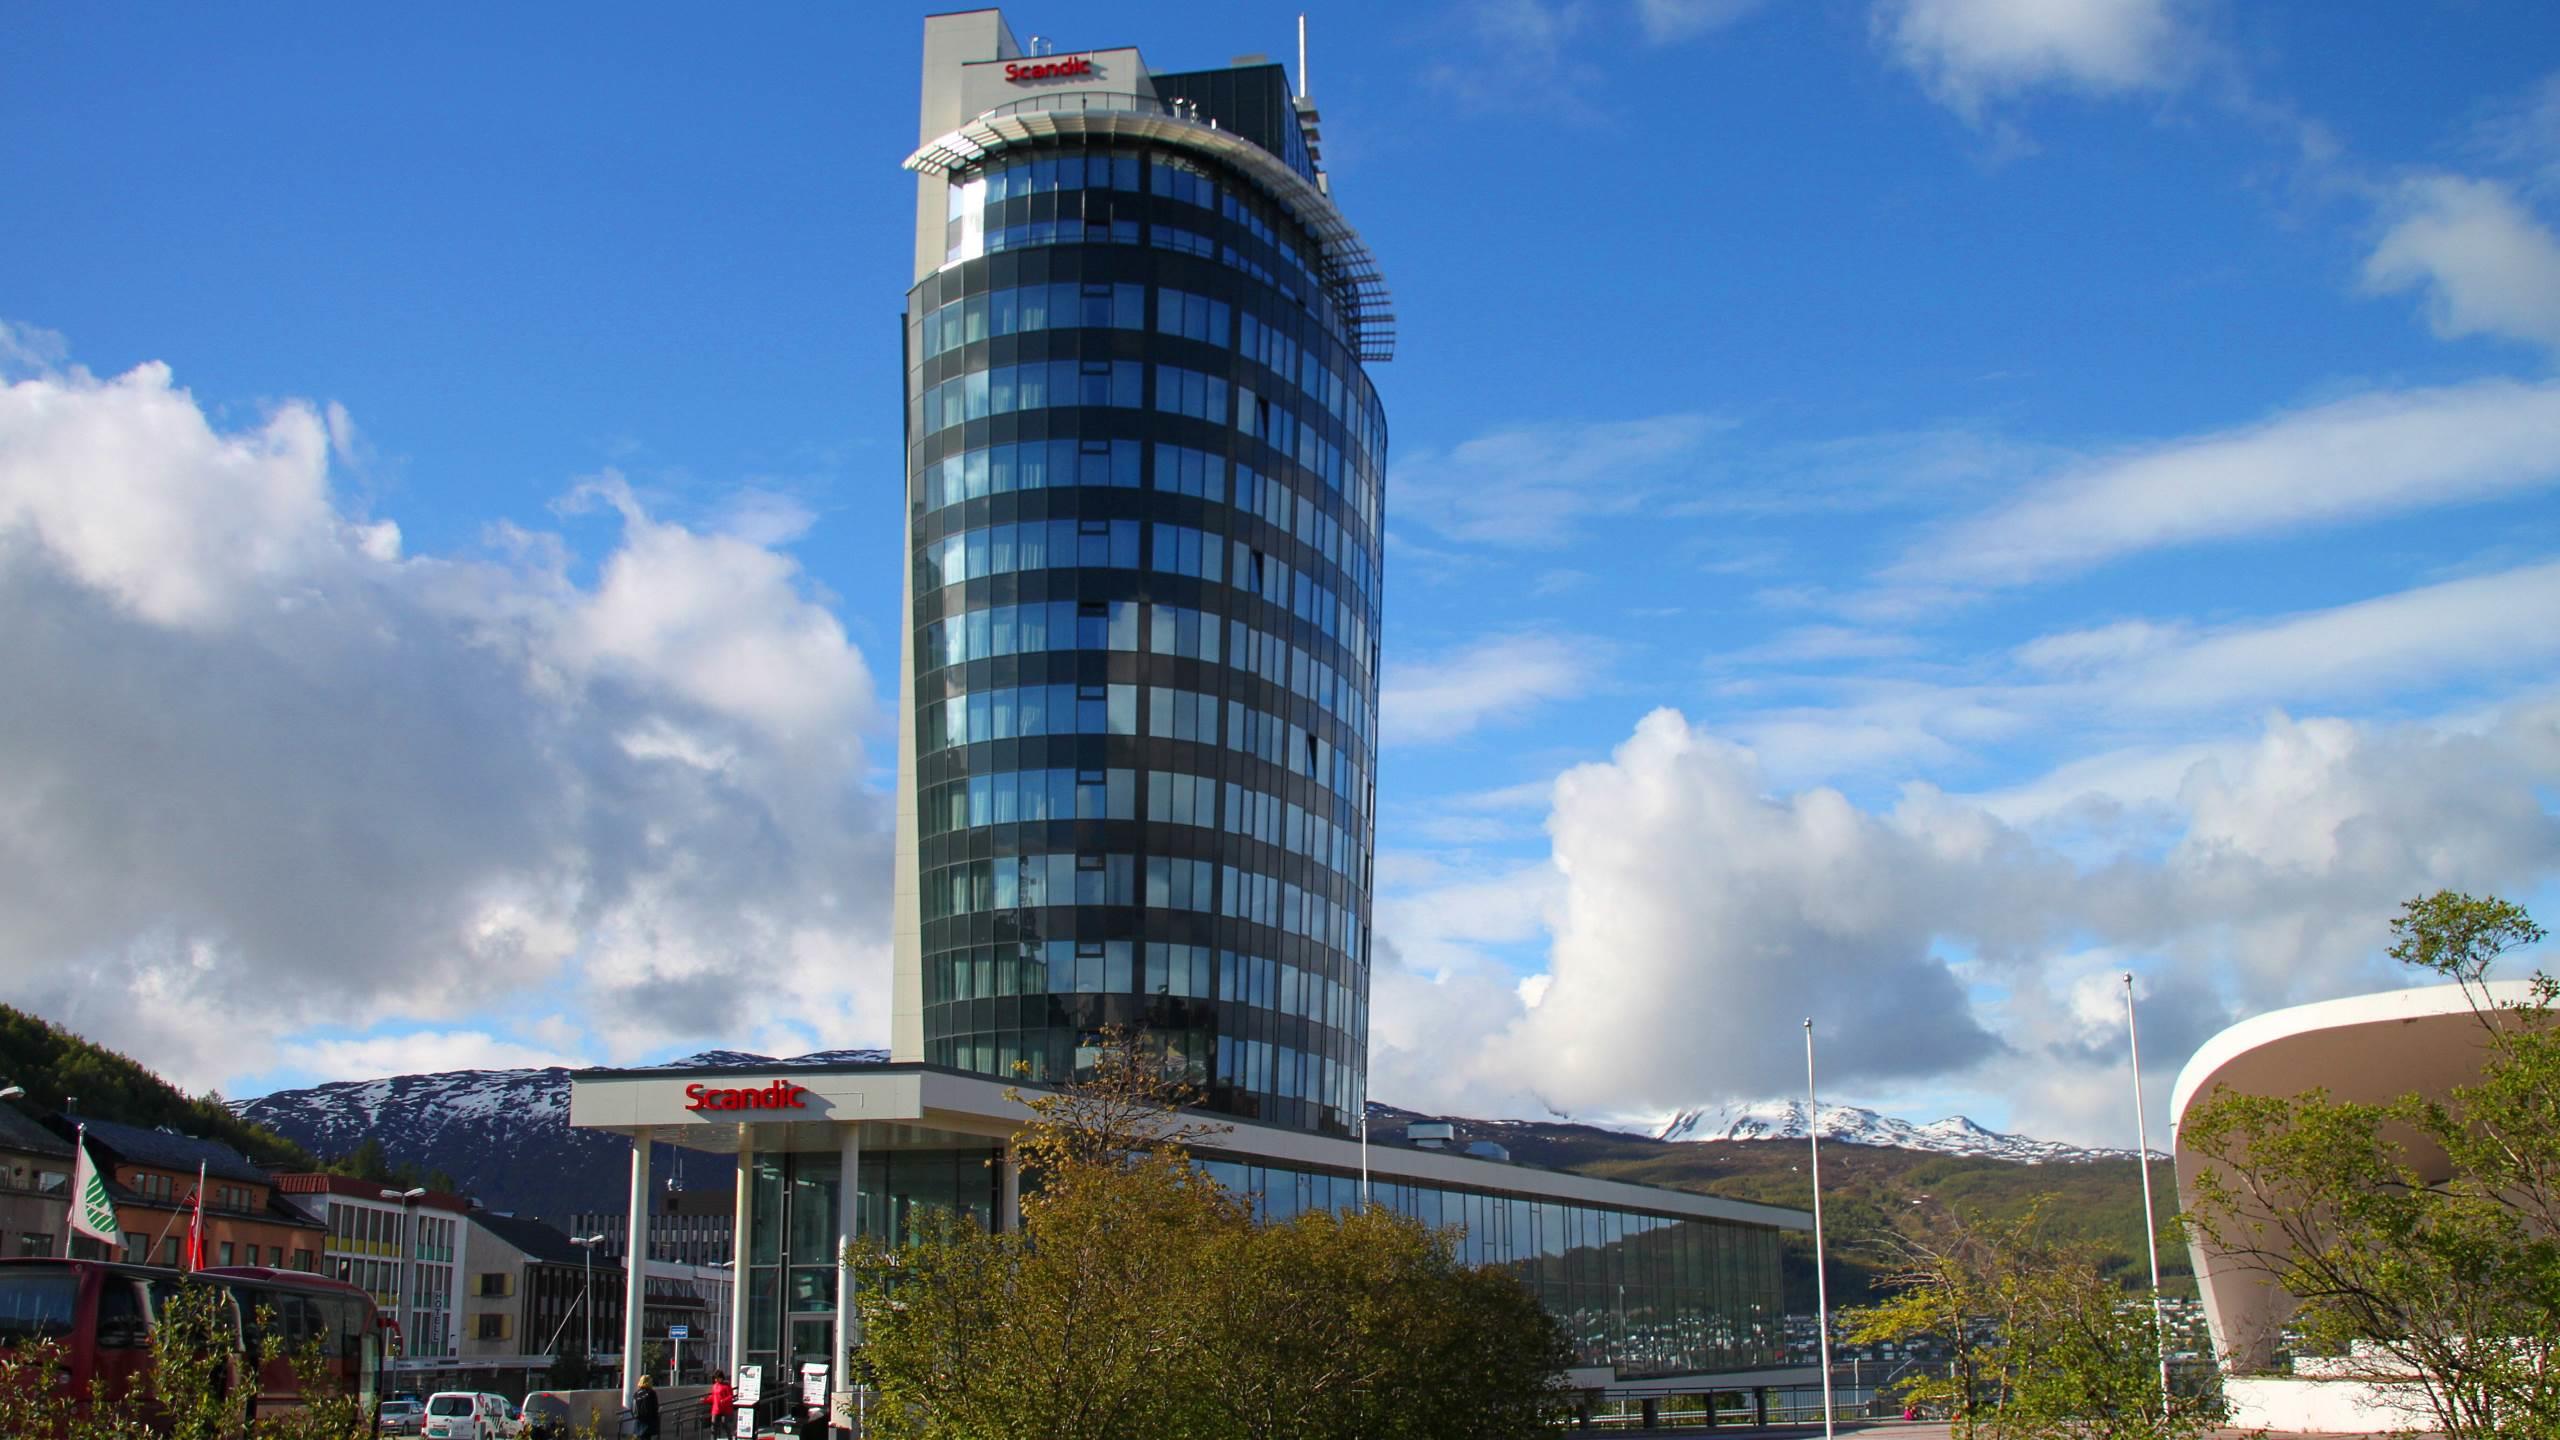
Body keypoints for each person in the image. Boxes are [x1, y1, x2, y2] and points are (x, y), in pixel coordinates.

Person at [632, 1374, 660, 1438]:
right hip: (648, 1423)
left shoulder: (637, 1393)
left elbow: (632, 1408)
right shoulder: (651, 1393)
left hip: (638, 1423)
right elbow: (655, 1408)